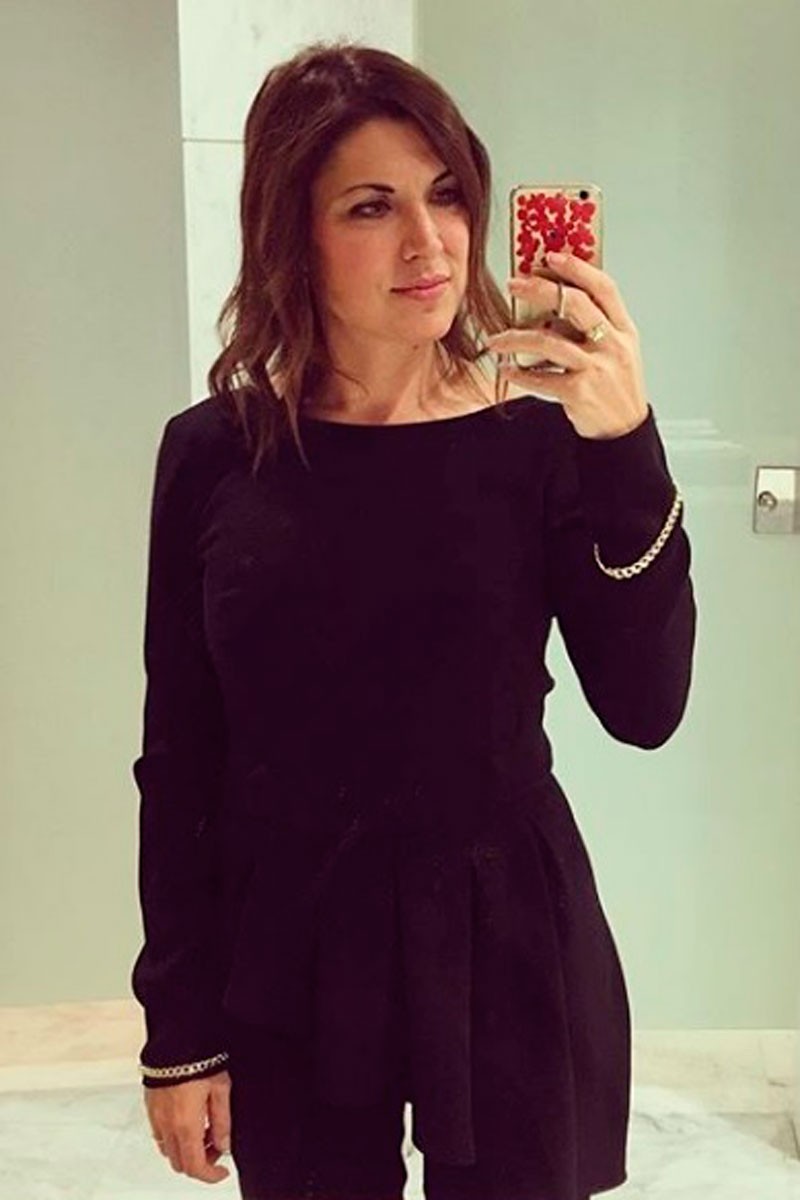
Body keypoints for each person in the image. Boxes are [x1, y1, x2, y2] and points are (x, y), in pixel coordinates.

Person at [130, 37, 696, 1200]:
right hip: (288, 941)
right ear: (291, 234)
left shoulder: (536, 435)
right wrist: (176, 1032)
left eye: (445, 195)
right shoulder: (213, 455)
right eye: (370, 206)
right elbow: (180, 759)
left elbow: (645, 707)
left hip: (505, 929)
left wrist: (623, 445)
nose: (429, 242)